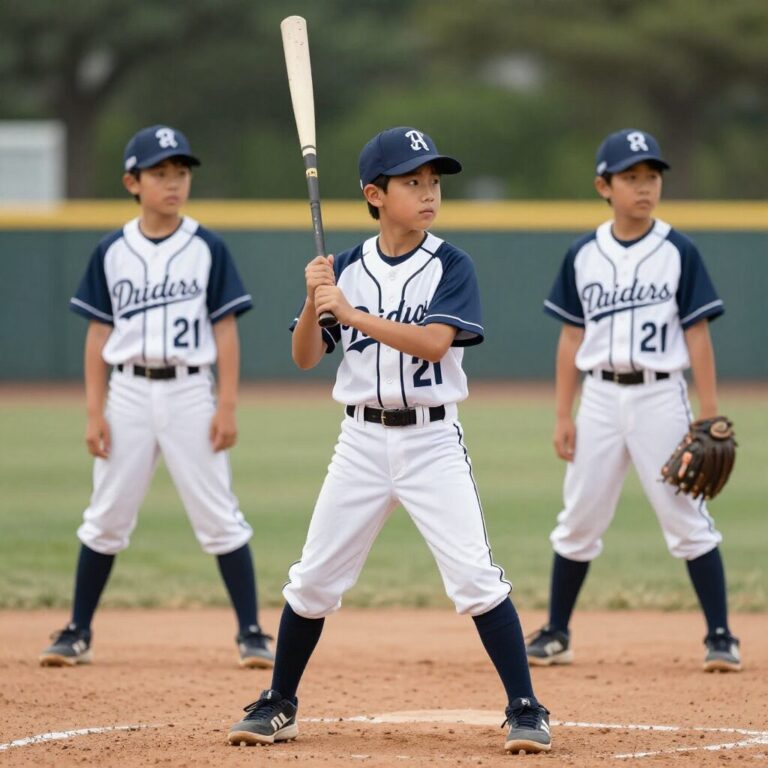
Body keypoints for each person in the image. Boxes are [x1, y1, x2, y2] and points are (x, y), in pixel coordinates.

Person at [227, 127, 552, 754]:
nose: (428, 192)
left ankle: (526, 706)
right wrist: (312, 299)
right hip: (360, 442)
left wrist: (349, 314)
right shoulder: (345, 268)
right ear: (375, 194)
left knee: (476, 580)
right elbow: (303, 358)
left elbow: (435, 342)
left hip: (432, 442)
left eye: (433, 182)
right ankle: (279, 702)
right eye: (412, 182)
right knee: (313, 580)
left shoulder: (451, 264)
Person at [39, 125, 274, 670]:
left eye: (181, 173)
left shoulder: (207, 246)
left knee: (220, 515)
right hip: (126, 391)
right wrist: (94, 412)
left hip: (192, 390)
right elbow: (97, 336)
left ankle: (251, 631)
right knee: (107, 515)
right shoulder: (112, 250)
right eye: (160, 173)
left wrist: (228, 404)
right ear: (132, 181)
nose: (173, 183)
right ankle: (77, 630)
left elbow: (226, 330)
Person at [526, 128, 741, 673]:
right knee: (579, 517)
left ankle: (721, 635)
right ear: (604, 185)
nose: (645, 187)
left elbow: (697, 334)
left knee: (686, 515)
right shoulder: (583, 254)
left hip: (660, 398)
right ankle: (557, 631)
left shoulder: (677, 250)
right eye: (631, 177)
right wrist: (562, 414)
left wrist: (709, 413)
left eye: (652, 176)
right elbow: (570, 337)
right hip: (597, 397)